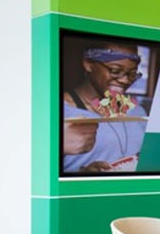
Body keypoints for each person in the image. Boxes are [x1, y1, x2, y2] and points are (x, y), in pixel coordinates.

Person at [62, 42, 149, 173]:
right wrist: (81, 174)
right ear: (88, 64)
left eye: (132, 74)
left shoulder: (137, 111)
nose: (125, 81)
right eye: (115, 71)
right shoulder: (60, 111)